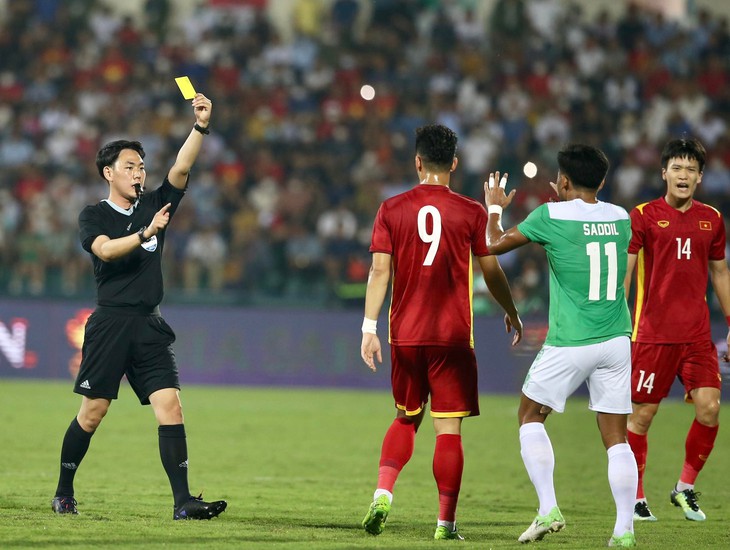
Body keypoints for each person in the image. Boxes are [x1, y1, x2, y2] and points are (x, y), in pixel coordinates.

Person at [51, 93, 227, 521]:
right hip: (111, 323)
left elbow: (182, 168)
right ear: (108, 173)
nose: (139, 172)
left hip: (150, 324)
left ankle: (183, 502)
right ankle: (63, 490)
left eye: (142, 166)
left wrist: (200, 126)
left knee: (172, 406)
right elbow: (106, 252)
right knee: (93, 413)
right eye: (130, 166)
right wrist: (146, 231)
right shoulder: (94, 215)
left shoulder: (155, 204)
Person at [359, 124, 523, 541]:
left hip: (406, 334)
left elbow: (380, 271)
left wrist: (368, 327)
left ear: (416, 162)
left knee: (405, 418)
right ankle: (445, 524)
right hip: (452, 337)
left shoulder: (391, 208)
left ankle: (382, 493)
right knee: (448, 429)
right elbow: (491, 271)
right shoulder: (470, 212)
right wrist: (512, 312)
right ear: (453, 163)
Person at [484, 144, 638, 548]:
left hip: (571, 340)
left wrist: (494, 208)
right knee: (616, 437)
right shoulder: (621, 218)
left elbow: (493, 245)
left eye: (558, 178)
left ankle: (548, 508)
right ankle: (624, 531)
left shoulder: (550, 214)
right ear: (602, 181)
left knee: (529, 416)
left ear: (564, 181)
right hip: (617, 339)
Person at [624, 137, 730, 522]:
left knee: (710, 408)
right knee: (641, 417)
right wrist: (618, 321)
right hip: (652, 334)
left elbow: (720, 273)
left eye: (691, 170)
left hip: (697, 336)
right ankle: (636, 498)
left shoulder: (713, 219)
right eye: (677, 168)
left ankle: (684, 489)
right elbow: (628, 270)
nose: (683, 176)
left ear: (701, 177)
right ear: (663, 172)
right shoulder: (642, 216)